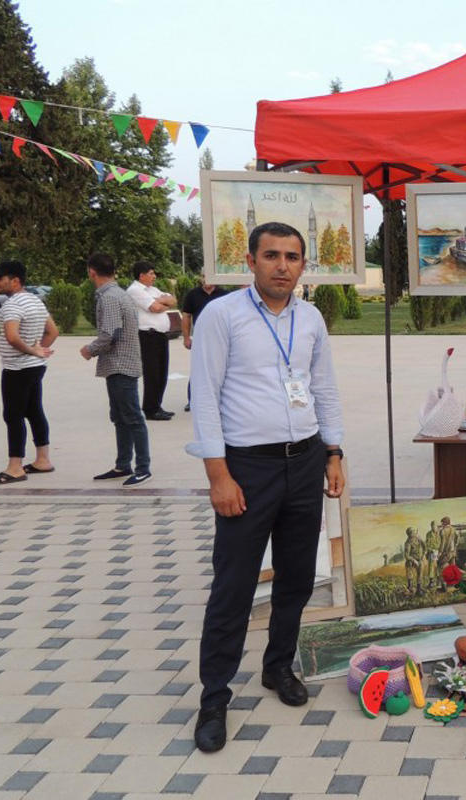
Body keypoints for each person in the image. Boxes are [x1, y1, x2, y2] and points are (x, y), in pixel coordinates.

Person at [187, 221, 344, 754]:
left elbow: (323, 387)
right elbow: (204, 397)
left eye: (292, 257)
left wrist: (333, 452)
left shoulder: (311, 317)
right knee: (234, 586)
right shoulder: (222, 316)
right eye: (272, 255)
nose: (282, 265)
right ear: (250, 261)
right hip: (245, 469)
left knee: (297, 577)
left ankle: (277, 667)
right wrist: (218, 476)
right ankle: (214, 698)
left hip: (304, 462)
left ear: (304, 265)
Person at [81, 253, 152, 486]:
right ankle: (123, 464)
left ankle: (143, 467)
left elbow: (111, 334)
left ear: (92, 271)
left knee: (132, 418)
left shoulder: (110, 297)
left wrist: (90, 349)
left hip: (121, 365)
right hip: (119, 365)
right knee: (120, 417)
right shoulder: (117, 293)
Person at [0, 261, 58, 485]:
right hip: (35, 367)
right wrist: (38, 352)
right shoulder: (35, 300)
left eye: (0, 278)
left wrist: (32, 350)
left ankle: (15, 467)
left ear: (15, 281)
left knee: (13, 415)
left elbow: (12, 337)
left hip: (17, 369)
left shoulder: (12, 305)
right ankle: (42, 459)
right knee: (34, 410)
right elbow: (53, 331)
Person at [126, 261, 177, 420]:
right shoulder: (135, 290)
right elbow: (154, 308)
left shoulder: (152, 289)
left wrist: (160, 301)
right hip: (148, 336)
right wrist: (161, 302)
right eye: (151, 273)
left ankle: (157, 405)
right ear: (141, 275)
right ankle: (150, 409)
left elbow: (173, 300)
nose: (154, 276)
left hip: (161, 335)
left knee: (162, 371)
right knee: (152, 372)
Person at [181, 277, 230, 411]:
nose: (207, 280)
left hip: (221, 336)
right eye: (204, 277)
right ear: (200, 278)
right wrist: (186, 337)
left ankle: (220, 400)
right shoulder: (192, 295)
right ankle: (192, 400)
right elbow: (186, 316)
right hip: (200, 338)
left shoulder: (224, 295)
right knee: (198, 368)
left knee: (221, 368)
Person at [403, 527, 424, 595]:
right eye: (412, 532)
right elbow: (406, 556)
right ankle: (410, 587)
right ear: (409, 534)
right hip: (411, 560)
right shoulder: (408, 543)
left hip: (419, 559)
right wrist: (414, 560)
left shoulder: (418, 539)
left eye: (414, 532)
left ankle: (419, 588)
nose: (414, 533)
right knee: (409, 567)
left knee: (420, 568)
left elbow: (424, 546)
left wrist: (422, 556)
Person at [423, 520, 441, 589]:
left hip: (439, 552)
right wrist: (431, 550)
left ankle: (439, 582)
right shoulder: (428, 534)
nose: (433, 527)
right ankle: (431, 582)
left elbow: (441, 543)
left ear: (437, 526)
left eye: (435, 526)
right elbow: (427, 544)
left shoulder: (440, 533)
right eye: (432, 526)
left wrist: (439, 551)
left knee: (438, 567)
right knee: (431, 567)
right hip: (432, 552)